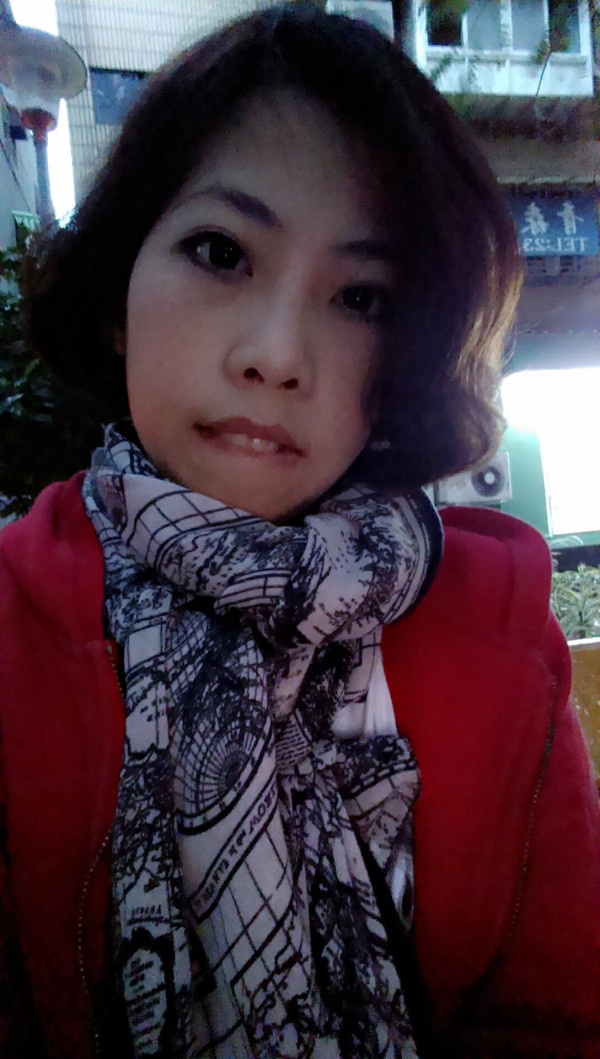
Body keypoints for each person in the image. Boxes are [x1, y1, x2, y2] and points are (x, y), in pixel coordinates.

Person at [0, 4, 598, 1057]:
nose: (277, 355)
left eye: (361, 297)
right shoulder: (9, 628)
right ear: (117, 292)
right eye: (220, 250)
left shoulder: (502, 636)